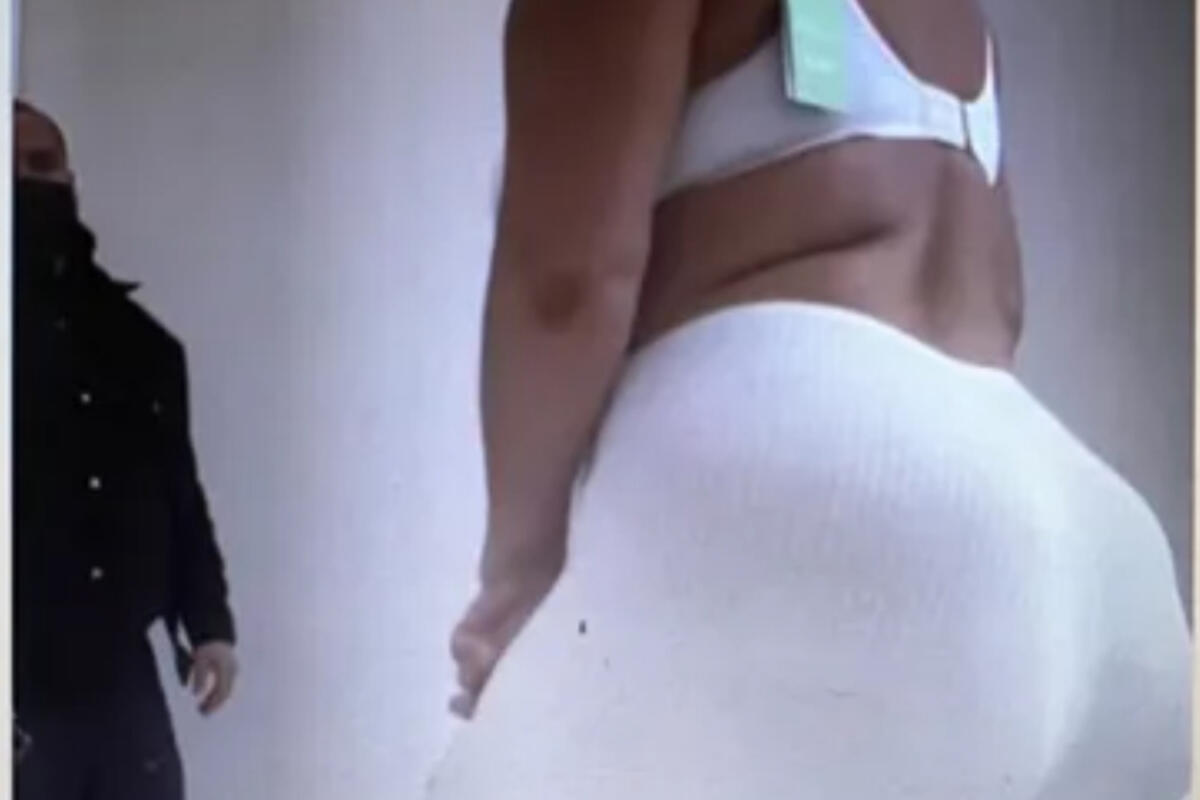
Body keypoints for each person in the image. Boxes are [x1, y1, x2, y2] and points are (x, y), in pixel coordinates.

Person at [427, 0, 1192, 797]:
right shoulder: (957, 23)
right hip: (1106, 574)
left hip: (847, 508)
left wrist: (519, 570)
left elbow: (565, 281)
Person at [13, 99, 240, 800]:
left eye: (41, 165)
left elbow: (180, 492)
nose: (25, 182)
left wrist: (209, 625)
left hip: (120, 678)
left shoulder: (139, 345)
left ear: (70, 179)